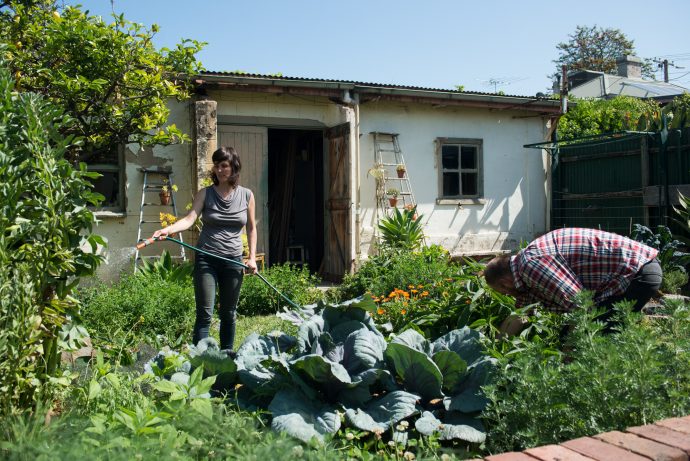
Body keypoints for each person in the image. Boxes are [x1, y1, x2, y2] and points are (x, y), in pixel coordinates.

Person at [152, 146, 257, 353]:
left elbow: (252, 228)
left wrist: (252, 258)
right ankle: (199, 360)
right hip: (206, 259)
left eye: (224, 166)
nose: (219, 170)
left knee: (229, 313)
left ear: (233, 167)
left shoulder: (247, 195)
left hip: (233, 261)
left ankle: (227, 359)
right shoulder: (205, 194)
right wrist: (168, 229)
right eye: (217, 166)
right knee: (204, 314)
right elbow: (190, 219)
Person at [483, 228, 662, 333]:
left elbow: (583, 305)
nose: (507, 294)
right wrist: (496, 346)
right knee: (585, 334)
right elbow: (522, 315)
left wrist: (569, 352)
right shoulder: (524, 267)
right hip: (636, 270)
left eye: (503, 291)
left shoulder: (531, 266)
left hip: (637, 272)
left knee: (598, 335)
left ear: (505, 283)